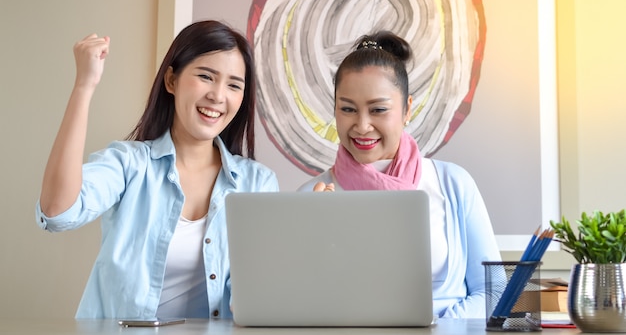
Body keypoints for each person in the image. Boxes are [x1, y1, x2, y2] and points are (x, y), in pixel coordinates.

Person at [36, 20, 279, 320]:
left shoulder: (258, 183)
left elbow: (264, 292)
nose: (218, 95)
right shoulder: (128, 164)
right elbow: (59, 213)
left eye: (233, 85)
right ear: (171, 81)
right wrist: (84, 86)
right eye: (206, 76)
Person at [298, 31, 501, 318]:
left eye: (378, 109)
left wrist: (435, 329)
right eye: (348, 109)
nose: (362, 126)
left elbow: (494, 292)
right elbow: (302, 305)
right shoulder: (311, 197)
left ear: (407, 109)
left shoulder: (454, 184)